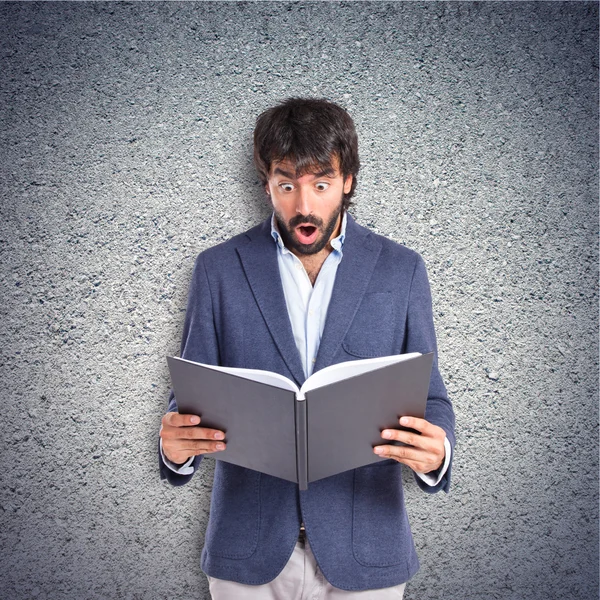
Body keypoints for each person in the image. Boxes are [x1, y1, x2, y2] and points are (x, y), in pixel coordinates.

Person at [159, 97, 455, 599]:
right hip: (247, 555)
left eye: (321, 183)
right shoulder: (218, 270)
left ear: (348, 181)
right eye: (286, 184)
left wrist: (438, 453)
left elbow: (432, 399)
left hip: (367, 551)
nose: (304, 206)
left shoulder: (401, 270)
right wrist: (174, 449)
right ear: (267, 183)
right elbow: (191, 402)